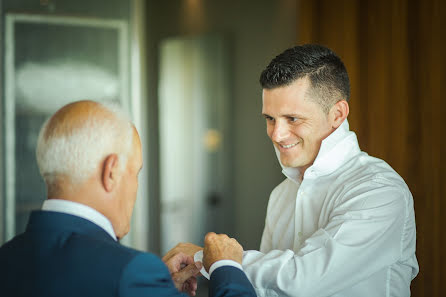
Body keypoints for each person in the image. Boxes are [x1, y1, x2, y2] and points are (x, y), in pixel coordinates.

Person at [169, 44, 419, 297]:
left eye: (293, 119)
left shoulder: (378, 190)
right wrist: (200, 267)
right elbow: (267, 290)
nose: (276, 134)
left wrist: (208, 258)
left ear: (337, 114)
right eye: (270, 118)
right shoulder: (281, 194)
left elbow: (304, 279)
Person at [0, 100, 256, 297]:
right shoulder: (132, 272)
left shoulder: (7, 258)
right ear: (111, 172)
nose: (135, 186)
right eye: (135, 173)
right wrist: (227, 268)